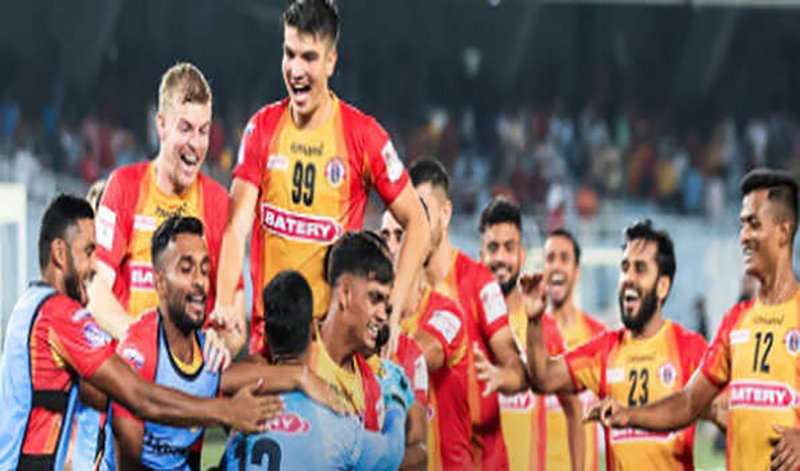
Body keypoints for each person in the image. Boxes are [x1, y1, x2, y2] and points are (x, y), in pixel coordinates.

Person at [212, 0, 430, 355]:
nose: (296, 70)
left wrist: (392, 309)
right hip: (269, 345)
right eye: (290, 54)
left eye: (309, 58)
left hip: (329, 349)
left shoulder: (363, 136)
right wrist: (223, 304)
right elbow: (235, 228)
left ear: (330, 62)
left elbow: (418, 222)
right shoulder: (262, 129)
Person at [0, 195, 278, 470]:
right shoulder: (60, 314)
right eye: (88, 252)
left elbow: (99, 393)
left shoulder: (30, 305)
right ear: (60, 254)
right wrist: (227, 411)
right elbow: (140, 398)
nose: (95, 265)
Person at [588, 169, 800, 471]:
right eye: (742, 225)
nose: (743, 236)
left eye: (754, 224)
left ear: (783, 231)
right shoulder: (736, 321)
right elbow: (688, 402)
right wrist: (629, 414)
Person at [108, 217, 341, 469]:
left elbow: (241, 378)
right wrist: (227, 411)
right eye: (186, 269)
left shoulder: (208, 352)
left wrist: (302, 377)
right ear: (160, 284)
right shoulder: (139, 349)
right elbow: (128, 461)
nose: (200, 282)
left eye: (204, 270)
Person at [516, 219, 723, 470]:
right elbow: (543, 378)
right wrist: (534, 321)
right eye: (625, 268)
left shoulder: (690, 349)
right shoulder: (605, 350)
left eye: (640, 269)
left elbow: (733, 414)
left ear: (662, 286)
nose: (628, 278)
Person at [90, 62, 244, 354]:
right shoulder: (124, 187)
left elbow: (235, 323)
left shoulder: (219, 204)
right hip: (131, 372)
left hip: (191, 373)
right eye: (185, 129)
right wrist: (140, 342)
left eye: (203, 131)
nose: (195, 144)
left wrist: (221, 344)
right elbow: (95, 288)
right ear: (161, 125)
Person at [224, 271, 411, 470]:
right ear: (314, 330)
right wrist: (396, 403)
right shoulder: (335, 419)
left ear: (266, 336)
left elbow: (220, 379)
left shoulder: (243, 411)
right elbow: (392, 453)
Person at [410, 158, 527, 470]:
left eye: (423, 211)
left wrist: (502, 376)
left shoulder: (478, 283)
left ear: (445, 213)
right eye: (408, 213)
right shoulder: (402, 288)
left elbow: (517, 367)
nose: (414, 223)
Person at [478, 197, 586, 471]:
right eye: (493, 248)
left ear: (522, 255)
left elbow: (574, 410)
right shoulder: (468, 322)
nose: (500, 258)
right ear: (481, 255)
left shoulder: (543, 328)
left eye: (509, 247)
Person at [381, 209, 474, 470]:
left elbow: (416, 356)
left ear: (420, 247)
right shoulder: (374, 317)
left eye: (400, 236)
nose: (391, 246)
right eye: (385, 235)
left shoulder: (448, 313)